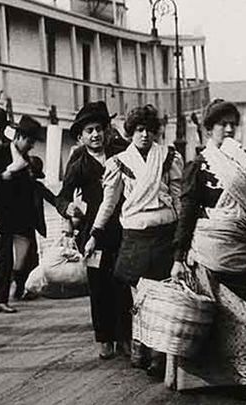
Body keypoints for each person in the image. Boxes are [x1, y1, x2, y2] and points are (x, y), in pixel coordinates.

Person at [167, 99, 246, 399]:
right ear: (209, 129)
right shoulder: (199, 166)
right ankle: (214, 379)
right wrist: (178, 257)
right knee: (215, 319)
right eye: (223, 124)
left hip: (242, 250)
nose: (229, 128)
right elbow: (188, 212)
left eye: (233, 123)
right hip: (210, 251)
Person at [84, 104, 183, 378]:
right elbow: (109, 203)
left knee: (163, 296)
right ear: (130, 132)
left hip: (164, 233)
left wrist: (184, 235)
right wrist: (94, 234)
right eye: (139, 130)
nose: (145, 135)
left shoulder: (169, 157)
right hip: (135, 235)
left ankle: (159, 354)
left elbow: (177, 197)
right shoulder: (118, 163)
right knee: (139, 297)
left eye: (150, 130)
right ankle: (142, 345)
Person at [55, 101, 131, 360]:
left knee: (123, 284)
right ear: (81, 136)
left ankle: (125, 337)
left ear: (106, 130)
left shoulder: (122, 154)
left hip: (123, 229)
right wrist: (69, 209)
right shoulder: (79, 164)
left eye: (99, 129)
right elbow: (62, 197)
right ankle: (104, 339)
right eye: (89, 131)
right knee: (99, 288)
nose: (95, 135)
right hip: (92, 236)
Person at [0, 115, 51, 313]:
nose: (31, 145)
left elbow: (33, 186)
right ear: (18, 137)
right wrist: (2, 176)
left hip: (22, 215)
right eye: (28, 140)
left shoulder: (27, 160)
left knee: (28, 253)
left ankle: (20, 289)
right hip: (2, 213)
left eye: (33, 141)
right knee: (5, 257)